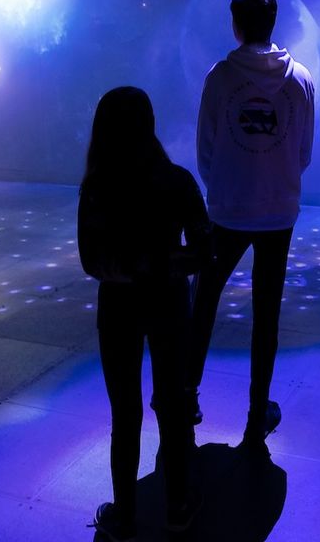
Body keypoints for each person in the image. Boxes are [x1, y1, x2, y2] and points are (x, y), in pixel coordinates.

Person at [78, 86, 209, 541]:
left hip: (118, 309)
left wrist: (135, 267)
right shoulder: (178, 181)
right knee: (172, 408)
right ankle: (177, 506)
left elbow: (91, 260)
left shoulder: (97, 186)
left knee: (125, 415)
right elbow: (204, 250)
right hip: (170, 306)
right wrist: (164, 266)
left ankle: (126, 516)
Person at [189, 0, 315, 457]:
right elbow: (303, 151)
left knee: (203, 303)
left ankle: (187, 396)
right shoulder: (300, 79)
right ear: (273, 22)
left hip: (226, 209)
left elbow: (206, 146)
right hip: (279, 212)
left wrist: (223, 185)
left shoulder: (220, 78)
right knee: (267, 314)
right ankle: (257, 410)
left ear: (236, 25)